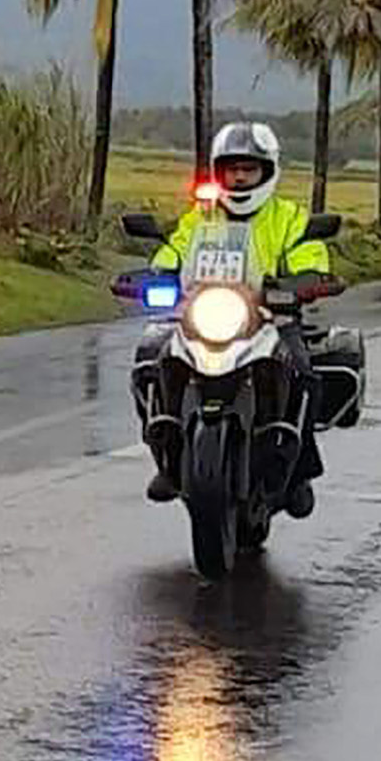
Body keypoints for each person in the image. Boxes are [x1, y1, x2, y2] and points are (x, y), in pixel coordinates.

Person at [132, 120, 329, 514]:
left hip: (271, 316)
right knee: (150, 358)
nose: (240, 177)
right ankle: (168, 461)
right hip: (203, 314)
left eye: (249, 168)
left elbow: (311, 257)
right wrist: (156, 274)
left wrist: (305, 281)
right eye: (232, 169)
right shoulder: (201, 216)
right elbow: (173, 252)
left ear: (267, 171)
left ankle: (300, 470)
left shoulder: (289, 217)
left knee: (304, 373)